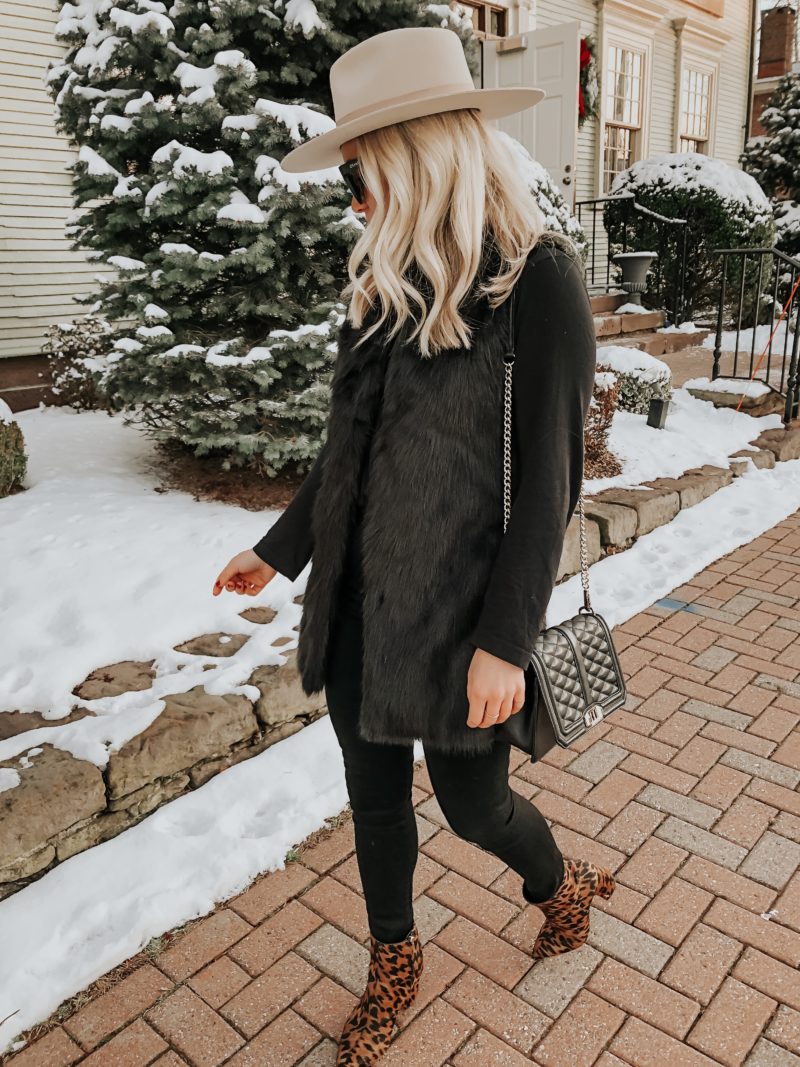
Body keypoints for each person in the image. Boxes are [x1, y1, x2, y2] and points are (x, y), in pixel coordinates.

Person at [213, 25, 613, 1066]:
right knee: (373, 801)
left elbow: (548, 492)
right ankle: (394, 958)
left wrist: (505, 642)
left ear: (417, 153)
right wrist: (279, 550)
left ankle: (556, 882)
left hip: (462, 618)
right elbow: (345, 451)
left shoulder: (536, 282)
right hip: (354, 603)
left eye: (358, 175)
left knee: (476, 807)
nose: (352, 201)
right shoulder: (384, 287)